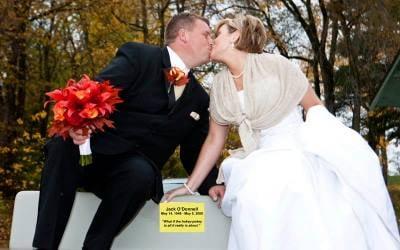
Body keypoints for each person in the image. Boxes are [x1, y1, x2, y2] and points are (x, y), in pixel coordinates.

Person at [165, 15, 400, 250]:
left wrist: (330, 147)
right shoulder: (220, 84)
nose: (212, 41)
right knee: (253, 193)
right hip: (258, 154)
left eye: (218, 34)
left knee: (285, 181)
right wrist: (189, 186)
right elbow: (215, 139)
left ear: (235, 36)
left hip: (295, 147)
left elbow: (314, 107)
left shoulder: (277, 66)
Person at [33, 13, 224, 249]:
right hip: (91, 155)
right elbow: (96, 92)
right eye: (206, 34)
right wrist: (77, 125)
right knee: (62, 145)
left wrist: (214, 184)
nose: (211, 41)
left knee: (142, 173)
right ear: (183, 35)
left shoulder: (199, 98)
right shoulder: (139, 56)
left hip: (132, 176)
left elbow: (194, 153)